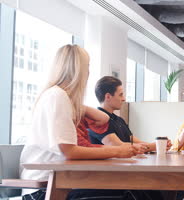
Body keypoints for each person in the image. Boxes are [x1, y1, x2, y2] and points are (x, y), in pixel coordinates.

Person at [20, 45, 139, 200]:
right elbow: (69, 151)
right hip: (46, 189)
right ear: (79, 70)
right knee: (133, 193)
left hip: (61, 182)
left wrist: (75, 104)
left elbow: (103, 118)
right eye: (87, 66)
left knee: (136, 191)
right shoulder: (57, 97)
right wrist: (118, 151)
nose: (89, 72)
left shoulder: (61, 97)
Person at [88, 76, 171, 152]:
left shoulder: (119, 120)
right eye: (120, 95)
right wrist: (155, 146)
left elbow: (133, 141)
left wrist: (159, 144)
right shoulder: (96, 120)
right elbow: (117, 145)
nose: (124, 99)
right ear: (108, 97)